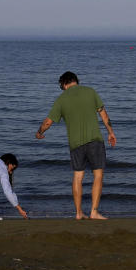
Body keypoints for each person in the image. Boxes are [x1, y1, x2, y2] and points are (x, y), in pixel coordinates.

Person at [35, 71, 117, 219]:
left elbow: (48, 122)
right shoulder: (90, 91)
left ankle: (79, 213)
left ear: (64, 83)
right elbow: (103, 114)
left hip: (75, 144)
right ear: (75, 81)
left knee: (78, 177)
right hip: (94, 140)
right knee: (98, 175)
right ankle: (93, 211)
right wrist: (111, 132)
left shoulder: (61, 99)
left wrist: (39, 132)